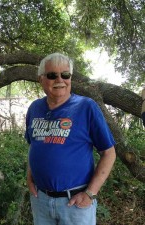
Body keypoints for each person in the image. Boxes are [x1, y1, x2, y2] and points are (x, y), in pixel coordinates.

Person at [25, 52, 116, 225]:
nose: (60, 80)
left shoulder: (86, 107)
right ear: (41, 79)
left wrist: (90, 193)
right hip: (41, 201)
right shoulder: (34, 108)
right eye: (52, 75)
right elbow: (34, 145)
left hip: (75, 203)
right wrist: (29, 177)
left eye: (65, 75)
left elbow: (109, 153)